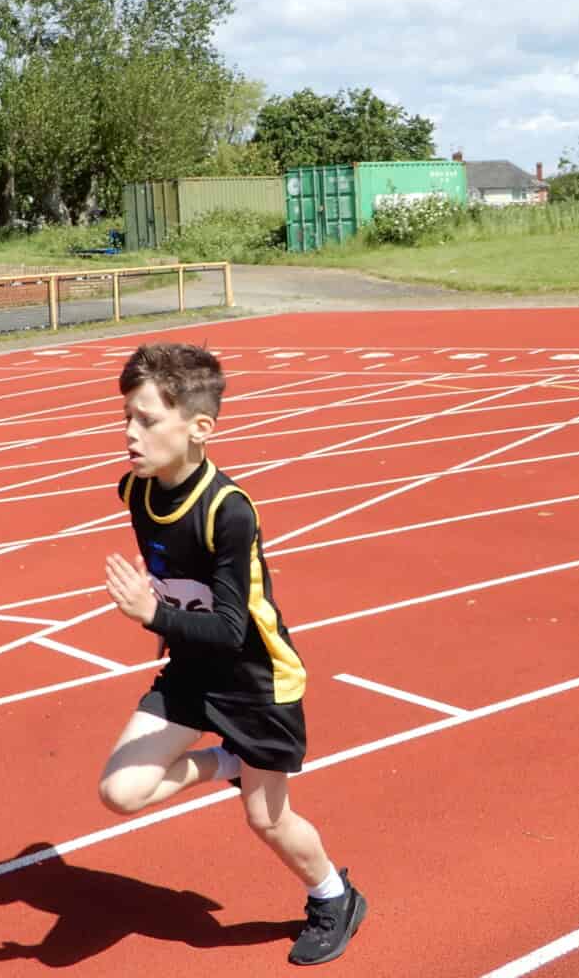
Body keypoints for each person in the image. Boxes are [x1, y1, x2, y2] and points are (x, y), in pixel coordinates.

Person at [98, 341, 367, 966]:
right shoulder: (136, 490)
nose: (130, 433)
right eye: (126, 418)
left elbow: (229, 627)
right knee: (120, 791)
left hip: (256, 682)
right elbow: (172, 567)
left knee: (267, 821)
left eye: (147, 419)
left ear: (200, 428)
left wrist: (153, 614)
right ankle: (229, 762)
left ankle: (334, 898)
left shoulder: (229, 511)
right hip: (193, 670)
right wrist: (167, 608)